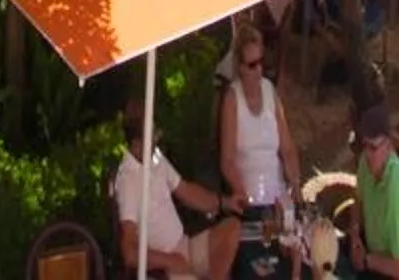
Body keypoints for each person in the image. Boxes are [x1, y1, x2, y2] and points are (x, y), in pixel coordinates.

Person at [111, 94, 239, 279]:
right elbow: (129, 254)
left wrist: (225, 202)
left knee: (231, 228)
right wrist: (169, 260)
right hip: (164, 267)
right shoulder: (128, 181)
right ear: (137, 144)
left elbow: (186, 191)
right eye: (153, 136)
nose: (157, 139)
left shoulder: (155, 157)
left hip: (185, 246)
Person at [216, 26, 298, 228]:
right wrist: (241, 192)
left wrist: (295, 183)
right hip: (250, 200)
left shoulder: (270, 90)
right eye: (252, 65)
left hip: (278, 198)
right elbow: (226, 160)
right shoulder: (232, 99)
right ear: (241, 67)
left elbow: (287, 149)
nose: (259, 70)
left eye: (262, 62)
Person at [348, 103, 399, 279]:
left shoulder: (396, 188)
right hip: (374, 253)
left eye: (374, 148)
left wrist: (365, 260)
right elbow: (357, 199)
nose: (368, 154)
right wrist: (355, 235)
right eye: (364, 145)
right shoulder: (365, 161)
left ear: (388, 146)